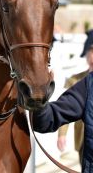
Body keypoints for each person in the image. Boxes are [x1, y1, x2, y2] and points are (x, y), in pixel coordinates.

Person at [32, 39, 93, 172]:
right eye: (91, 51)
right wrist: (39, 98)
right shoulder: (85, 84)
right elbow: (48, 119)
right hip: (84, 141)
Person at [57, 35, 93, 166]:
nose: (92, 56)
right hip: (84, 140)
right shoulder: (76, 80)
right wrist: (62, 135)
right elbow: (66, 109)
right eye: (90, 52)